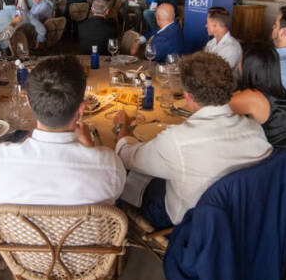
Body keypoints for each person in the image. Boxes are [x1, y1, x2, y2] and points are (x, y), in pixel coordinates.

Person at [113, 52, 271, 228]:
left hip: (192, 225)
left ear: (188, 97)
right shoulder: (256, 131)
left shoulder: (178, 141)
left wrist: (122, 128)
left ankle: (116, 231)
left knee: (121, 176)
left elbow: (127, 157)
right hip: (241, 216)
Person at [0, 56, 125, 205]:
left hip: (16, 229)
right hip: (85, 228)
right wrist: (90, 148)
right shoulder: (110, 165)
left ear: (28, 104)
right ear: (82, 108)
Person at [229, 42, 286, 182]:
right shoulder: (275, 88)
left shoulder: (253, 98)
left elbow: (216, 108)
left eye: (240, 60)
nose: (238, 64)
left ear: (250, 66)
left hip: (280, 172)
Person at [203, 7, 241, 71]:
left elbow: (220, 75)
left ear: (215, 25)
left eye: (207, 23)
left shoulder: (231, 49)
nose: (206, 26)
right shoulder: (210, 43)